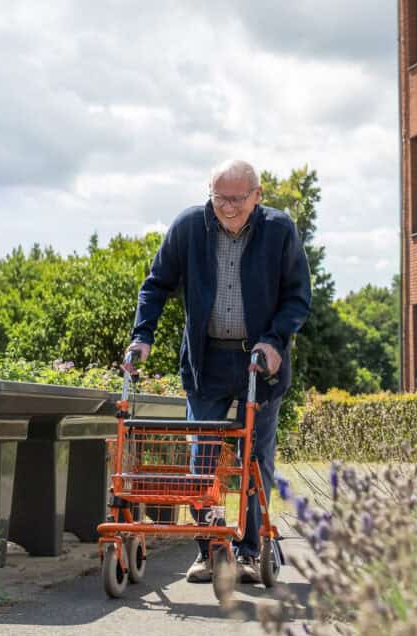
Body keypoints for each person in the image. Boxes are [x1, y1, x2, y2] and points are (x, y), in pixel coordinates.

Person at [122, 159, 311, 583]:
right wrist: (143, 336)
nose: (227, 208)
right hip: (205, 361)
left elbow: (298, 297)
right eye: (219, 197)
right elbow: (156, 285)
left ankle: (248, 549)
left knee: (254, 460)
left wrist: (275, 339)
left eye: (238, 199)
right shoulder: (189, 226)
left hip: (258, 365)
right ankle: (210, 550)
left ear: (257, 196)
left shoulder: (279, 231)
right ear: (209, 192)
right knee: (201, 460)